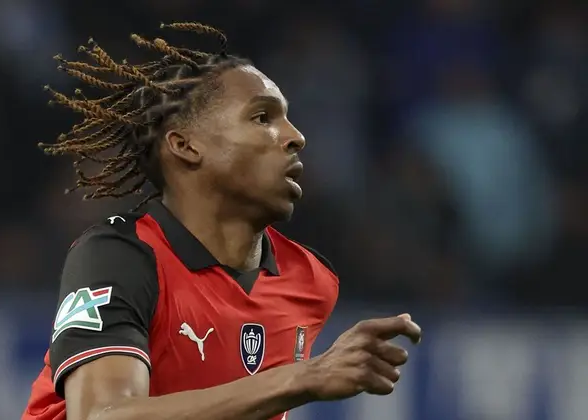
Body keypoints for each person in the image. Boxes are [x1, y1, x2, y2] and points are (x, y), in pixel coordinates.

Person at [22, 22, 422, 420]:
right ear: (185, 145)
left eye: (287, 118)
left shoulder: (309, 281)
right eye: (262, 117)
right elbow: (99, 415)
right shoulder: (118, 256)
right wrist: (303, 378)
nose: (296, 136)